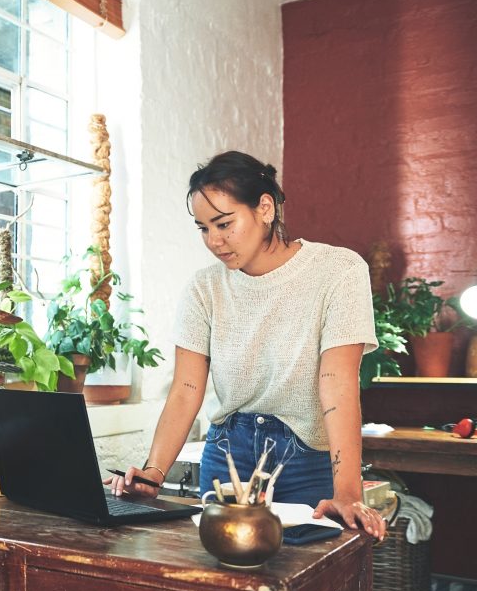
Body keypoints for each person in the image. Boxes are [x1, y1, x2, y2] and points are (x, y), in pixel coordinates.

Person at [105, 151, 386, 540]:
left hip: (306, 459)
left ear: (265, 208)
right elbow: (186, 389)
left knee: (309, 584)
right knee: (227, 586)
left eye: (223, 223)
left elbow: (338, 383)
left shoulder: (339, 271)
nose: (214, 241)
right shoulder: (205, 289)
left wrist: (348, 493)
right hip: (226, 458)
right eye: (203, 228)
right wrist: (153, 474)